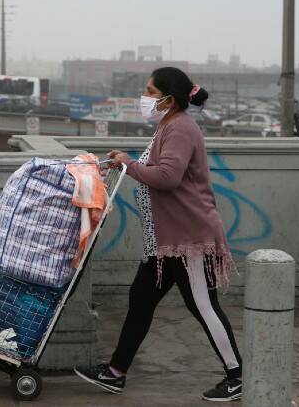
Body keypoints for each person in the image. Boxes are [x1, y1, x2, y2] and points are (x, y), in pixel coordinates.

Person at [74, 67, 243, 402]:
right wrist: (125, 164)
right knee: (141, 299)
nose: (145, 97)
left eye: (150, 91)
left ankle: (238, 376)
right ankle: (116, 373)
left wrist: (128, 165)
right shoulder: (169, 126)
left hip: (187, 240)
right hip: (165, 242)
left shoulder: (180, 128)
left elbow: (167, 176)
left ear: (169, 99)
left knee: (204, 307)